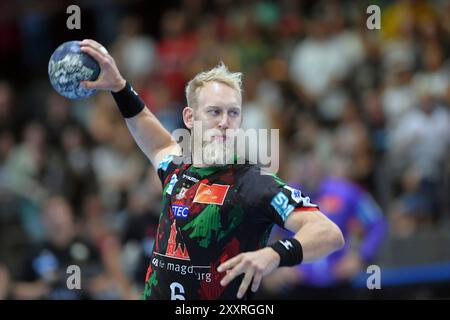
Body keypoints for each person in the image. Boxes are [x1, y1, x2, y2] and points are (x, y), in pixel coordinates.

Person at [78, 39, 344, 300]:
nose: (225, 123)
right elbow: (154, 136)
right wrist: (119, 86)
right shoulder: (175, 167)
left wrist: (275, 254)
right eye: (215, 112)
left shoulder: (253, 183)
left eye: (233, 113)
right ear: (190, 118)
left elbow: (328, 232)